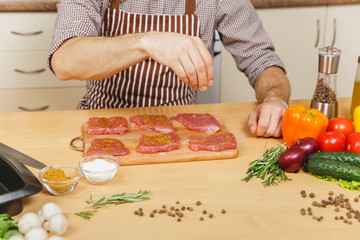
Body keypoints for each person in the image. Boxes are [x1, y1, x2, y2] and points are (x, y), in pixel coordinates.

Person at [49, 0, 291, 138]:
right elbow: (64, 61)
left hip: (182, 129)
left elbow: (261, 59)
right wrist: (146, 42)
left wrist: (275, 99)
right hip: (103, 122)